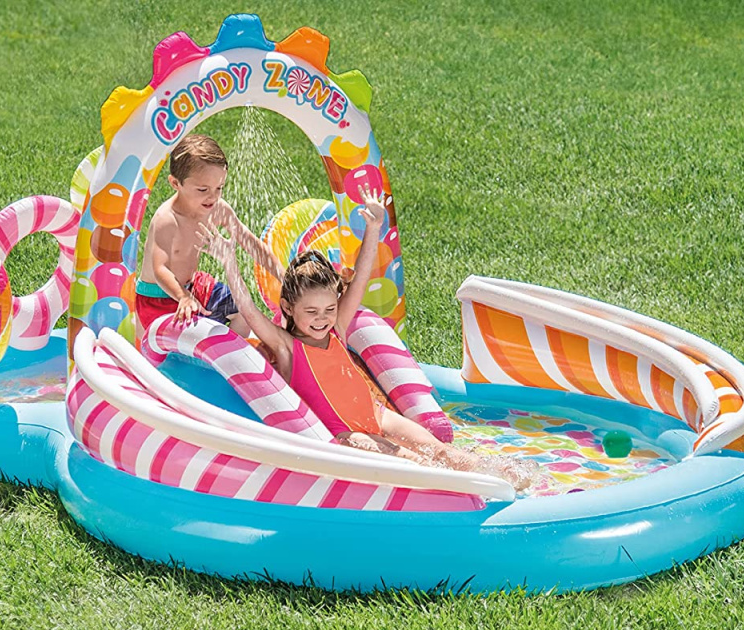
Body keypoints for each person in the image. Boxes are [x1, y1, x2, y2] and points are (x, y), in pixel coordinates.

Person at [199, 184, 537, 491]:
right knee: (415, 463)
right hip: (346, 436)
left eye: (329, 309)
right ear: (288, 307)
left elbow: (359, 281)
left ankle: (513, 481)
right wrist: (229, 262)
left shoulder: (337, 331)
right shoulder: (286, 347)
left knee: (439, 451)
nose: (322, 319)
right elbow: (250, 311)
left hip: (377, 415)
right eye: (311, 312)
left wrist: (373, 228)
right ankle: (469, 494)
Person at [136, 134, 284, 338]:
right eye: (203, 189)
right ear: (175, 183)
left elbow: (251, 244)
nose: (213, 196)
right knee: (190, 339)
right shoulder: (168, 218)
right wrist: (183, 297)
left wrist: (283, 276)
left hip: (192, 286)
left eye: (219, 188)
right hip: (158, 298)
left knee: (242, 311)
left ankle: (227, 357)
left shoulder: (217, 209)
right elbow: (160, 269)